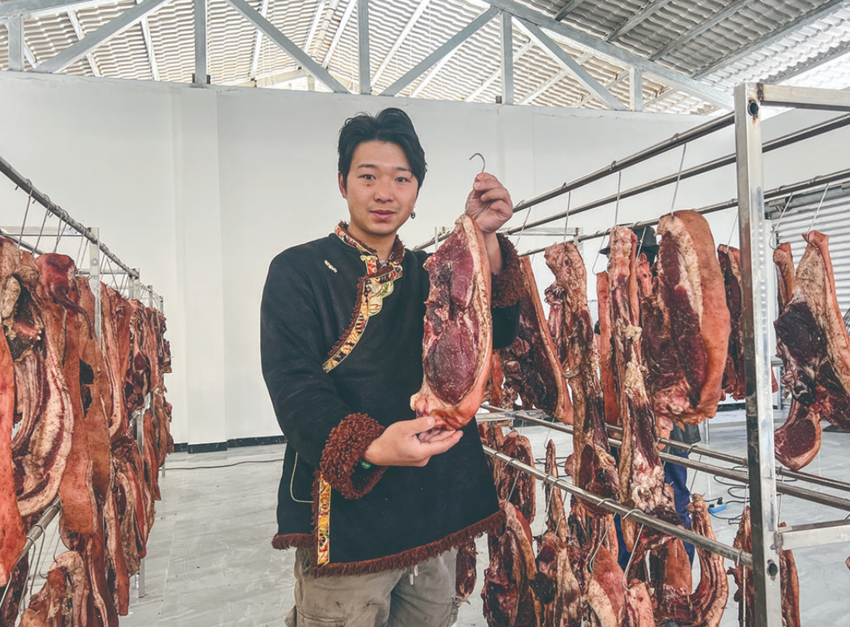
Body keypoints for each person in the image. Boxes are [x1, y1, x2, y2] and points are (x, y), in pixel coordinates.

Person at [260, 107, 522, 627]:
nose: (385, 193)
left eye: (401, 179)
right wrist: (374, 447)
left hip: (433, 513)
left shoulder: (432, 271)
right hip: (347, 522)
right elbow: (294, 386)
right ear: (342, 183)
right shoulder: (298, 270)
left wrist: (484, 238)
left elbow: (497, 333)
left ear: (417, 190)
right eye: (368, 176)